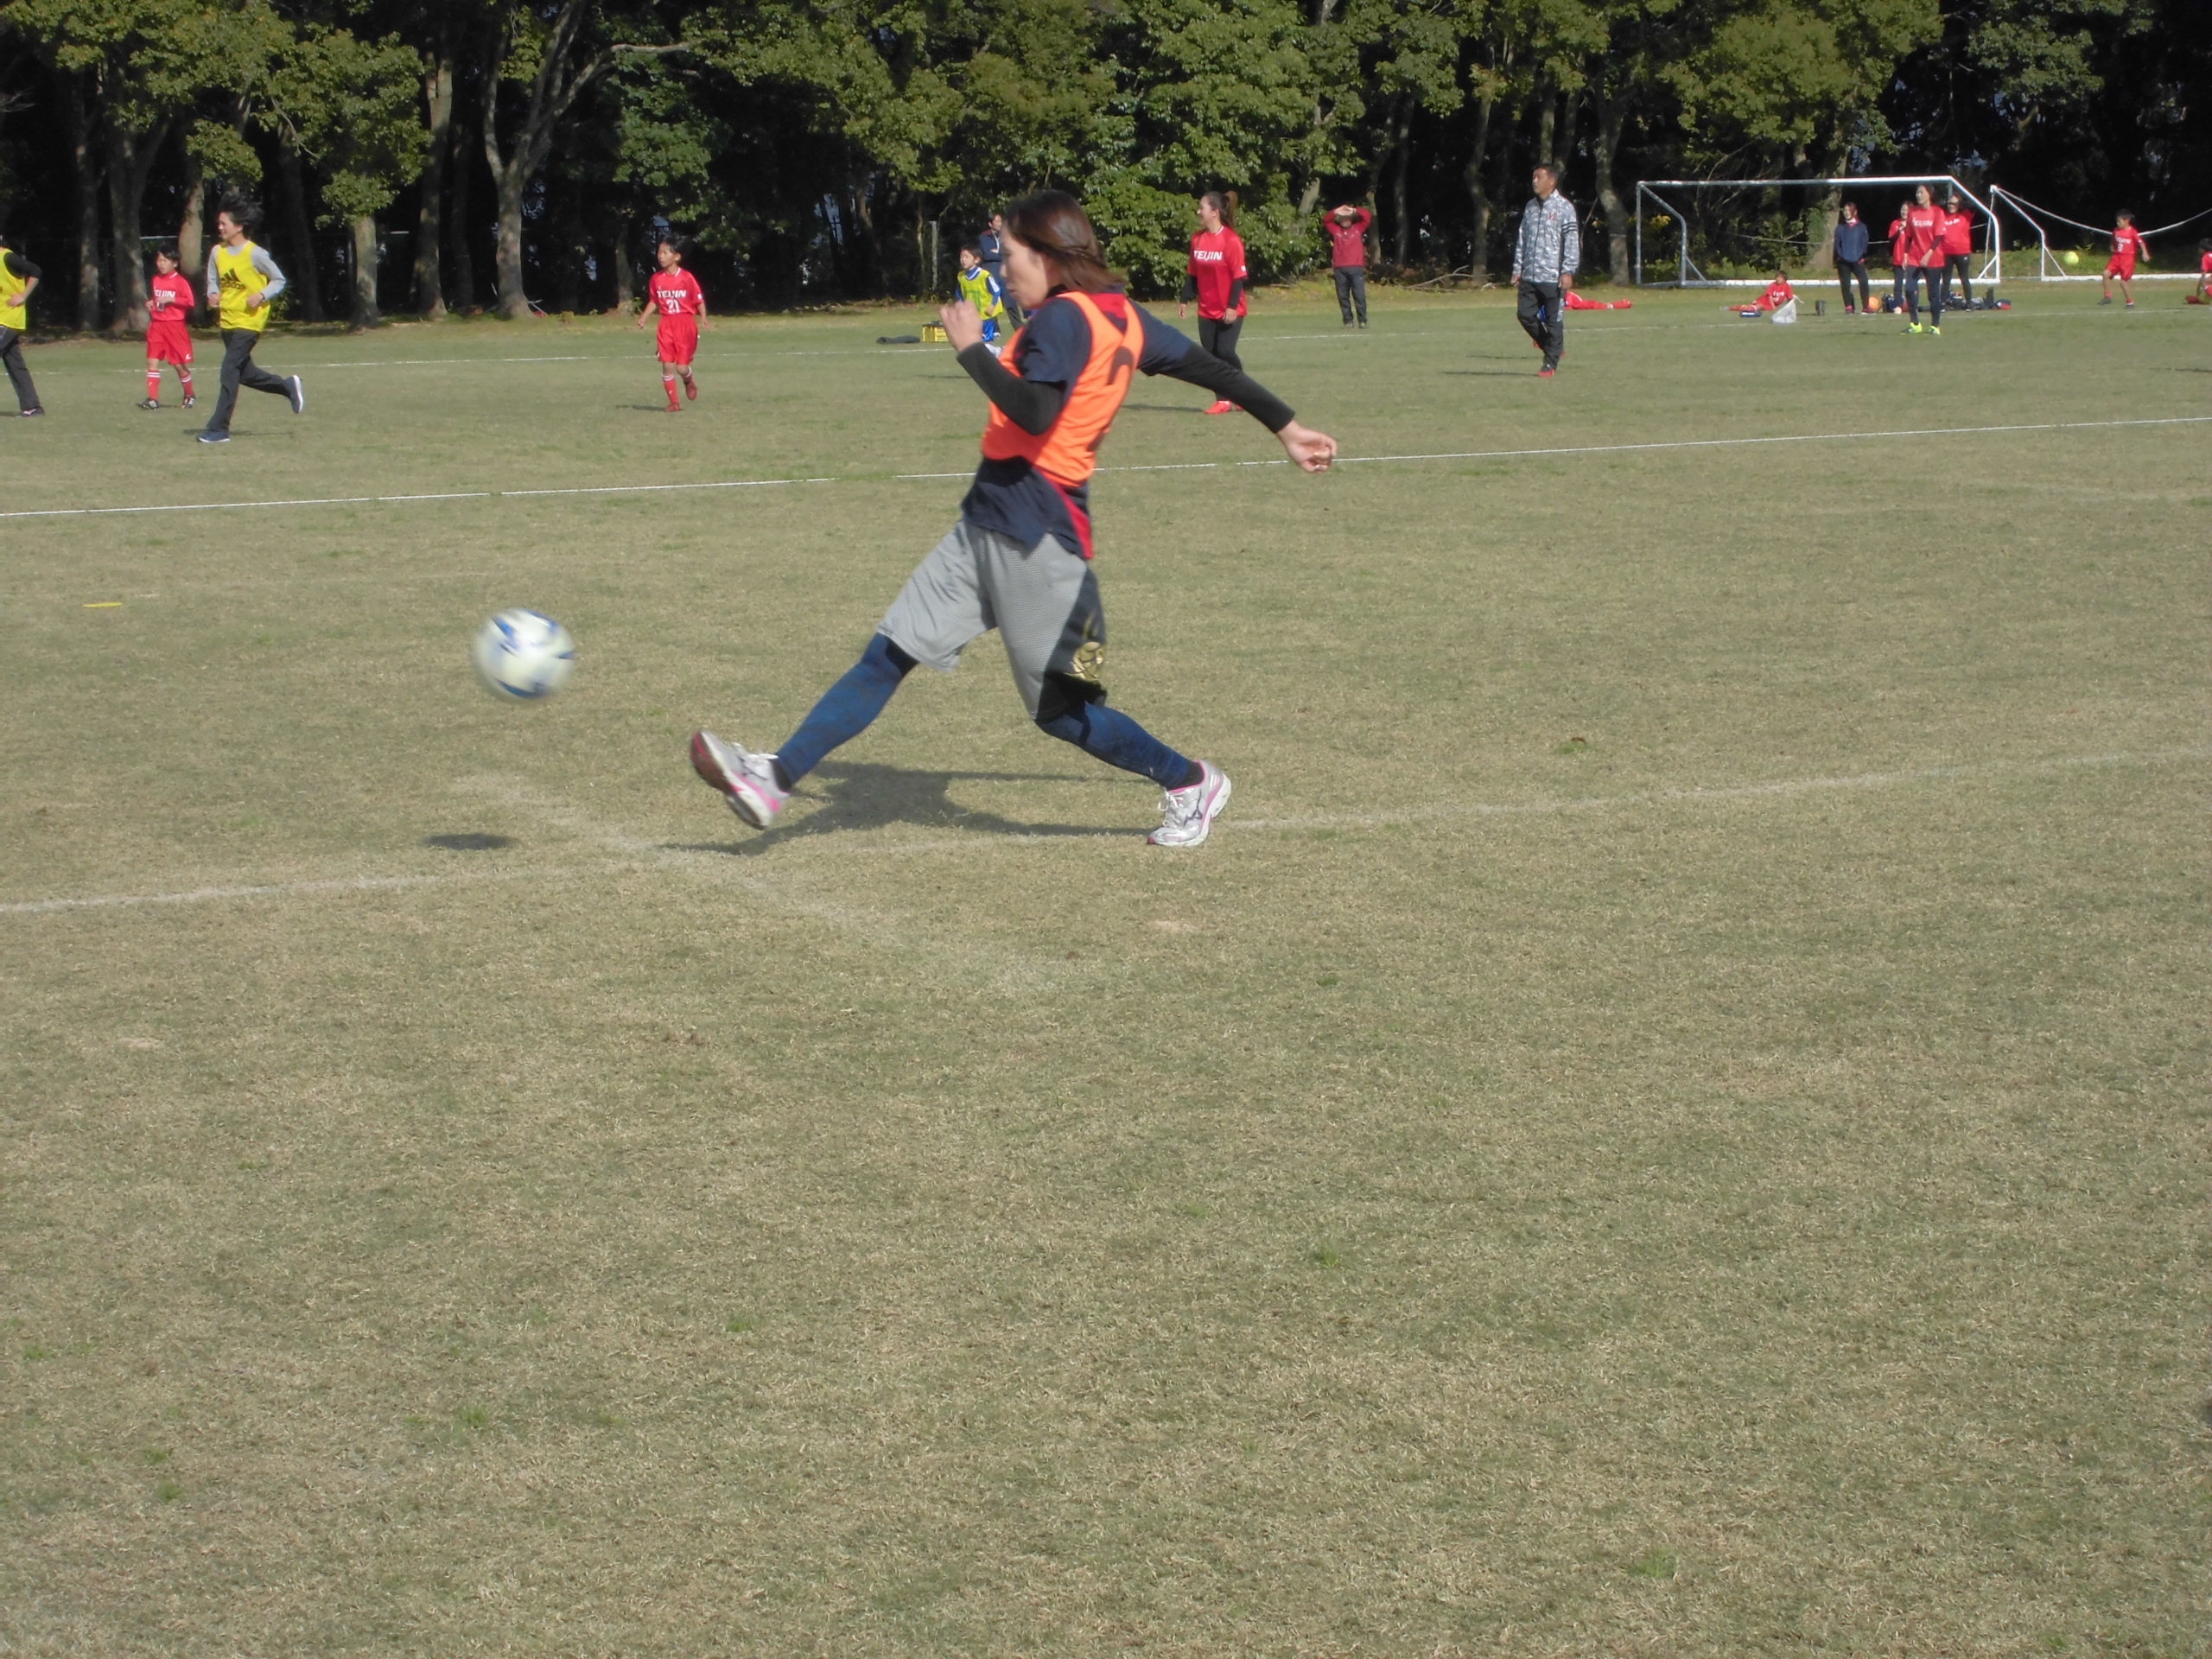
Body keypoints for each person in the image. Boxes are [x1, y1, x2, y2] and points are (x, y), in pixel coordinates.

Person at [687, 189, 1338, 849]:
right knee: (889, 655)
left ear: (1051, 257)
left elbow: (1035, 413)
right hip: (989, 517)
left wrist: (971, 349)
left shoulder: (1062, 319)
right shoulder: (1123, 316)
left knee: (1064, 715)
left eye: (1013, 254)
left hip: (1041, 539)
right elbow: (1213, 370)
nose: (1004, 269)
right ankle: (775, 777)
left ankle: (1190, 781)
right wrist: (1285, 425)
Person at [199, 198, 304, 443]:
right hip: (228, 320)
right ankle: (287, 387)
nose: (220, 227)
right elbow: (213, 278)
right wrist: (212, 293)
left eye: (224, 223)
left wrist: (261, 294)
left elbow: (279, 280)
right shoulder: (217, 252)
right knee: (245, 374)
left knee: (228, 369)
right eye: (219, 223)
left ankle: (219, 428)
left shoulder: (256, 254)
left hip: (250, 322)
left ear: (239, 226)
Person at [1179, 190, 1248, 413]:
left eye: (1202, 208)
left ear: (1215, 212)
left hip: (1230, 308)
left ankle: (1244, 392)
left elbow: (1238, 277)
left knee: (1225, 352)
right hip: (1206, 308)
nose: (1199, 211)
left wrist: (1231, 306)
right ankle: (1223, 400)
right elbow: (1193, 273)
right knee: (1211, 356)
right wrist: (1185, 298)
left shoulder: (1231, 240)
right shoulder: (1197, 239)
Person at [1510, 160, 1580, 377]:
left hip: (1553, 277)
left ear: (1552, 180)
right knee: (1525, 315)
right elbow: (1522, 238)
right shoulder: (1530, 207)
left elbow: (1571, 241)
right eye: (1533, 177)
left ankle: (1550, 363)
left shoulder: (1564, 207)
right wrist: (1517, 268)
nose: (1534, 181)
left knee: (1554, 320)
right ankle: (1552, 346)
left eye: (1539, 177)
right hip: (1530, 275)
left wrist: (1568, 271)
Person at [638, 234, 705, 410]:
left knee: (682, 368)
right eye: (659, 252)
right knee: (667, 365)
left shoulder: (687, 278)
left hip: (685, 324)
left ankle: (689, 381)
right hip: (666, 324)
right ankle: (674, 403)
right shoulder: (656, 279)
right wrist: (644, 317)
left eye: (665, 252)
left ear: (676, 256)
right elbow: (654, 301)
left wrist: (704, 318)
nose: (660, 256)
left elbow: (698, 300)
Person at [141, 245, 197, 410]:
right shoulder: (156, 279)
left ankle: (189, 394)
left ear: (175, 263)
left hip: (174, 327)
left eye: (165, 260)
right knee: (152, 362)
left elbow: (190, 301)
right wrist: (152, 303)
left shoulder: (180, 282)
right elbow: (158, 300)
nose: (161, 264)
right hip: (157, 326)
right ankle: (153, 399)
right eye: (159, 260)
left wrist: (172, 300)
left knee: (178, 364)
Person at [0, 228, 43, 416]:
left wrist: (23, 296)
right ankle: (32, 407)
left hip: (9, 319)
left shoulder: (7, 257)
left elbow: (36, 271)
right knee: (15, 363)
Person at [1899, 184, 1946, 336]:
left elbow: (1939, 236)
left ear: (1929, 195)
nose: (1918, 195)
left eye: (1921, 192)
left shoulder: (1937, 212)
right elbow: (1908, 236)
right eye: (1917, 192)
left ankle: (1935, 326)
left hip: (1933, 258)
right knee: (1909, 289)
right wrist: (1906, 254)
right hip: (1915, 256)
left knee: (1933, 294)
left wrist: (1928, 254)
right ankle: (1915, 324)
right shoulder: (1913, 213)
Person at [1324, 203, 1372, 327]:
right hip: (1340, 268)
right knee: (1343, 297)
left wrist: (1354, 210)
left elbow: (1367, 216)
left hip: (1356, 267)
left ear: (1351, 219)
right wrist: (1336, 211)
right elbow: (1326, 220)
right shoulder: (1336, 231)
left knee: (1359, 296)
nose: (1344, 221)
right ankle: (1348, 321)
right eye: (1342, 219)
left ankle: (1362, 320)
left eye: (1346, 219)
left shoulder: (1358, 229)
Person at [955, 244, 1007, 353]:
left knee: (984, 343)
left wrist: (992, 305)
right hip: (972, 317)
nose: (963, 260)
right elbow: (959, 294)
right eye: (961, 257)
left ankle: (997, 354)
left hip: (986, 316)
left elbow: (996, 291)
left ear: (976, 260)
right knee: (974, 343)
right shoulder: (961, 276)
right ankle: (997, 352)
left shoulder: (984, 275)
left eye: (966, 257)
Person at [980, 212, 1022, 326]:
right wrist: (1001, 254)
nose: (1000, 223)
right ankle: (993, 330)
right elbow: (987, 255)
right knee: (992, 300)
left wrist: (999, 253)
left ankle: (1019, 327)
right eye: (997, 221)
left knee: (1010, 299)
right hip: (991, 270)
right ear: (990, 223)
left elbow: (1010, 251)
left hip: (1004, 270)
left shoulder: (1005, 236)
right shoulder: (984, 237)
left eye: (1001, 221)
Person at [2101, 211, 2147, 308]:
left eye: (2119, 221)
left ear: (2127, 221)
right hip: (2116, 257)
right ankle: (2107, 297)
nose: (2117, 223)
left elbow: (2141, 243)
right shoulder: (2116, 231)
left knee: (2123, 282)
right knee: (2105, 274)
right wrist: (2112, 246)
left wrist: (2145, 253)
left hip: (2127, 259)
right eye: (2117, 221)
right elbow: (2113, 239)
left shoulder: (2132, 232)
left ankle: (2130, 302)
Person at [1833, 201, 1871, 314]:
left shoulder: (1862, 227)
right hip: (1843, 262)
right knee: (1845, 284)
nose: (1846, 213)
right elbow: (1837, 244)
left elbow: (1864, 243)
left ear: (1854, 212)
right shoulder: (1840, 228)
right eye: (1845, 211)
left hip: (1858, 261)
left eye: (1849, 210)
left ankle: (1865, 306)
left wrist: (1860, 255)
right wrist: (1841, 255)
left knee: (1864, 281)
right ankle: (1849, 306)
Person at [1939, 193, 1974, 309]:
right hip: (1946, 253)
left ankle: (1969, 303)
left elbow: (1973, 205)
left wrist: (1960, 202)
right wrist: (1947, 202)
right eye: (1949, 203)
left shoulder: (1965, 215)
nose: (1951, 206)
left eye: (1954, 204)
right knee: (1946, 280)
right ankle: (1943, 304)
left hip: (1962, 251)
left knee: (1964, 278)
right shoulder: (1943, 216)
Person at [1726, 269, 1795, 318]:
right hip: (1764, 301)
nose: (1777, 279)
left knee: (1755, 309)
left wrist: (1789, 309)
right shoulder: (1773, 285)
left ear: (1784, 279)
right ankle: (1732, 308)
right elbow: (1770, 297)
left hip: (1770, 306)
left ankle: (1746, 311)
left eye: (1779, 277)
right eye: (1777, 277)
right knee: (1752, 308)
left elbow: (1789, 298)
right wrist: (1773, 307)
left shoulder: (1787, 286)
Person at [1886, 199, 1912, 313]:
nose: (1904, 212)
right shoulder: (1895, 223)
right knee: (1898, 283)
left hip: (1912, 259)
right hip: (1898, 258)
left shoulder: (1914, 224)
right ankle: (1898, 305)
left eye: (1907, 210)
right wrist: (1899, 230)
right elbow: (1891, 241)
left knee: (1912, 284)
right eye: (1903, 209)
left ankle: (1912, 304)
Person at [2192, 238, 2212, 304]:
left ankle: (2204, 300)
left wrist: (2206, 288)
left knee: (2204, 282)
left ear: (2203, 249)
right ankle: (2204, 299)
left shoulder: (2205, 258)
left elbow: (2203, 276)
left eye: (2199, 248)